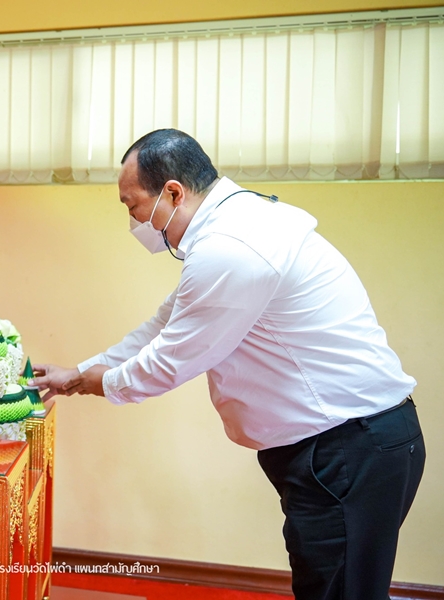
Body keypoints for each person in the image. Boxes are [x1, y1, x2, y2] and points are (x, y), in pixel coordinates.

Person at [31, 129, 425, 600]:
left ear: (173, 192)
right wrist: (77, 373)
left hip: (347, 449)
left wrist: (102, 382)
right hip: (351, 444)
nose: (132, 220)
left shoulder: (230, 247)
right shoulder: (236, 225)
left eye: (132, 205)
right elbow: (163, 325)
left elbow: (170, 360)